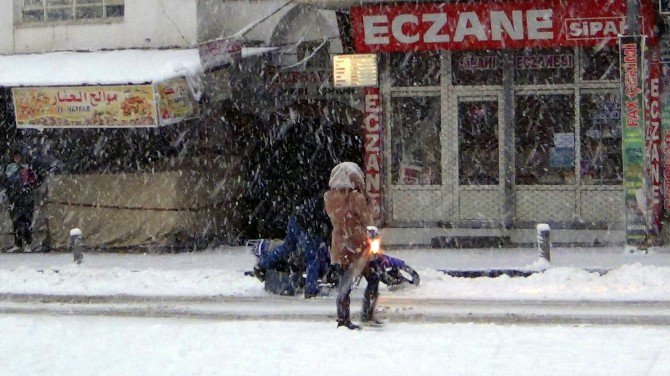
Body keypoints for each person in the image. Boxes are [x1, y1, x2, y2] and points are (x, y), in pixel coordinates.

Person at [324, 162, 381, 330]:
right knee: (373, 278)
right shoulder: (357, 198)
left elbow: (337, 218)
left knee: (345, 283)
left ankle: (343, 317)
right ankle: (366, 313)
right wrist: (366, 198)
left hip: (340, 244)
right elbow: (368, 218)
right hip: (359, 245)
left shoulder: (329, 197)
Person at [3, 146, 39, 252]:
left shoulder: (27, 168)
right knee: (16, 222)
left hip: (25, 198)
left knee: (27, 221)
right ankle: (18, 243)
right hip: (15, 198)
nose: (17, 159)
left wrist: (27, 186)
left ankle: (28, 243)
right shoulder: (10, 167)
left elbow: (33, 181)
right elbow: (8, 180)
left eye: (18, 157)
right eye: (15, 157)